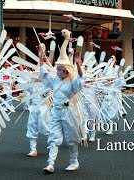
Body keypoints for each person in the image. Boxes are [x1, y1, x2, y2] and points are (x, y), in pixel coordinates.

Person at [39, 29, 83, 173]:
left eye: (60, 70)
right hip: (56, 112)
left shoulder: (71, 83)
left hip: (68, 112)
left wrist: (78, 65)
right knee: (53, 137)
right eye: (57, 69)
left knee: (71, 137)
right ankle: (50, 163)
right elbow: (44, 73)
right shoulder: (54, 80)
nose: (57, 72)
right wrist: (41, 57)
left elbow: (80, 80)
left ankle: (74, 161)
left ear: (66, 71)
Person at [25, 76, 51, 157]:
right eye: (35, 77)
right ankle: (33, 150)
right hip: (34, 107)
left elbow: (49, 89)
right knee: (31, 126)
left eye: (38, 76)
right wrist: (30, 81)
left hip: (43, 108)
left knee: (45, 127)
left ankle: (52, 147)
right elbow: (27, 88)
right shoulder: (33, 85)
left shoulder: (47, 85)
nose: (36, 78)